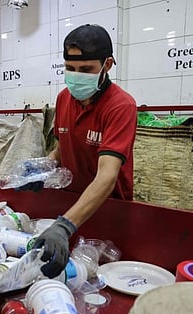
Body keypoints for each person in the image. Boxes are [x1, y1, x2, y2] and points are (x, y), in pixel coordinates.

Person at [33, 24, 137, 278]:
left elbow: (107, 177)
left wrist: (65, 226)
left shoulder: (121, 106)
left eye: (86, 69)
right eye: (70, 68)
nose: (76, 76)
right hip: (71, 208)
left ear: (107, 65)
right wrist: (41, 169)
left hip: (109, 213)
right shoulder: (63, 99)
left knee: (99, 280)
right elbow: (61, 147)